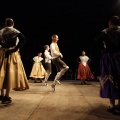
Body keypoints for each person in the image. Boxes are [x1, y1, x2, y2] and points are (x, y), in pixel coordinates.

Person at [0, 18, 29, 104]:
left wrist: (2, 45)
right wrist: (16, 48)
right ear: (13, 24)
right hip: (11, 52)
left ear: (5, 24)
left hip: (1, 52)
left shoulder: (1, 31)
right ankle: (6, 96)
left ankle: (1, 95)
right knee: (9, 73)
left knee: (1, 73)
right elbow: (23, 38)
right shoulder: (15, 31)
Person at [96, 16, 120, 114]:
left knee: (111, 78)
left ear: (110, 22)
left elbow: (97, 40)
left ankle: (112, 105)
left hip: (110, 57)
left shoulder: (106, 31)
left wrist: (103, 49)